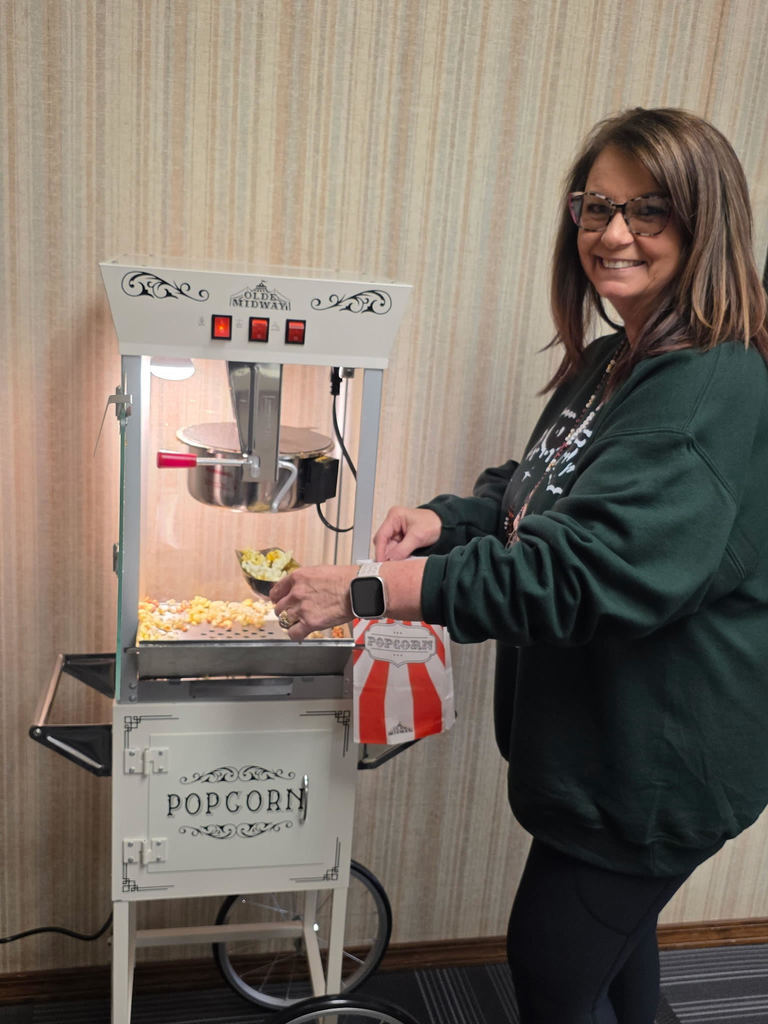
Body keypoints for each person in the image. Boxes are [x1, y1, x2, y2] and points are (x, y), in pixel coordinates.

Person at [271, 107, 768, 1023]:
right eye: (595, 206)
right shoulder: (621, 356)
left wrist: (370, 589)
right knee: (622, 979)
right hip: (601, 749)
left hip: (654, 770)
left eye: (648, 209)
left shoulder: (710, 385)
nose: (613, 233)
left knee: (550, 976)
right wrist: (445, 519)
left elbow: (576, 571)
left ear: (708, 223)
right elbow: (535, 492)